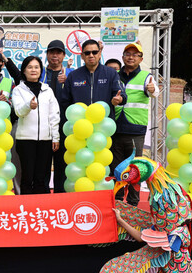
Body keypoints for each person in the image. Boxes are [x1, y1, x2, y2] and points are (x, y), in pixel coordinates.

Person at [111, 42, 159, 206]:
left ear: (141, 59)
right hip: (115, 128)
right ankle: (116, 201)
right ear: (123, 57)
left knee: (135, 169)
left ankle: (133, 203)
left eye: (135, 55)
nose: (131, 57)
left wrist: (152, 90)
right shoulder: (115, 75)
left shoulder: (147, 77)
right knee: (116, 169)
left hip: (135, 129)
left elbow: (154, 92)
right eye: (127, 54)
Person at [12, 56, 60, 194]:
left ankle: (42, 208)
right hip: (25, 140)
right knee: (27, 176)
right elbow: (18, 111)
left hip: (46, 140)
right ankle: (26, 208)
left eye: (36, 67)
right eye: (30, 67)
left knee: (42, 176)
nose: (33, 70)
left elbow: (54, 115)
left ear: (41, 70)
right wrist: (29, 105)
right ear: (24, 71)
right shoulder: (18, 90)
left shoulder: (47, 90)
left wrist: (55, 137)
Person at [60, 39, 127, 121]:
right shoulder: (73, 75)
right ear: (82, 56)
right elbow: (65, 101)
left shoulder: (111, 73)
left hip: (103, 124)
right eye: (87, 53)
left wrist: (120, 99)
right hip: (80, 125)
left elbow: (122, 95)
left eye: (94, 52)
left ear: (99, 54)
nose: (91, 55)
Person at [41, 40, 73, 193]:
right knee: (43, 166)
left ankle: (61, 198)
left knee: (62, 165)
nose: (55, 55)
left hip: (65, 128)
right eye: (52, 52)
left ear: (64, 55)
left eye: (58, 52)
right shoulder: (38, 72)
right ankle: (44, 201)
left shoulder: (71, 75)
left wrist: (68, 83)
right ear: (47, 54)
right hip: (42, 127)